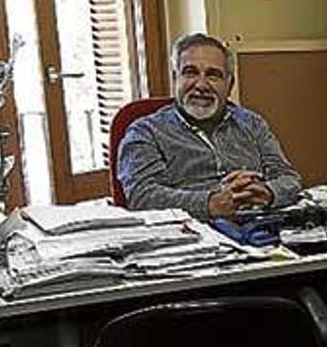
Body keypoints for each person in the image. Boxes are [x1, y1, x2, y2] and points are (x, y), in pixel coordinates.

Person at [117, 33, 302, 218]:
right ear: (175, 78)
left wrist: (266, 191)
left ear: (229, 85)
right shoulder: (145, 132)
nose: (201, 85)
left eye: (213, 75)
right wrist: (210, 203)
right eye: (191, 73)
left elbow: (289, 178)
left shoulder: (251, 123)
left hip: (261, 227)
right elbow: (142, 197)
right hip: (192, 235)